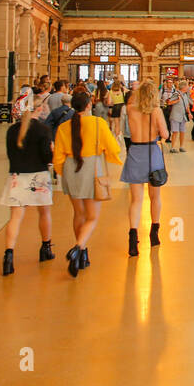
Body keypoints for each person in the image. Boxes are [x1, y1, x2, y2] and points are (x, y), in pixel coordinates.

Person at [53, 91, 124, 277]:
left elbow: (58, 157)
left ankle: (82, 254)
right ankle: (78, 248)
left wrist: (64, 173)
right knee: (92, 217)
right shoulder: (98, 123)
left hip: (71, 168)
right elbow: (114, 148)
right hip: (92, 168)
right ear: (88, 106)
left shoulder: (63, 127)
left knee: (78, 213)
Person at [1, 95, 54, 275]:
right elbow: (47, 157)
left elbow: (9, 154)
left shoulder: (12, 130)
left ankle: (8, 255)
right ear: (38, 109)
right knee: (44, 212)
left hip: (17, 176)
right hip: (38, 175)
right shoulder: (44, 130)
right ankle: (45, 248)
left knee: (15, 217)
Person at [121, 79, 169, 257]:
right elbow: (165, 134)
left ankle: (133, 239)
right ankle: (154, 233)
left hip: (135, 152)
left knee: (136, 200)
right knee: (155, 197)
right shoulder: (156, 111)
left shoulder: (130, 109)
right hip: (152, 153)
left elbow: (131, 100)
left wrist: (137, 92)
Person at [167, 81, 190, 153]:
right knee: (175, 131)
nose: (188, 87)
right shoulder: (176, 94)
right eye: (187, 86)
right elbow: (169, 102)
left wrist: (189, 113)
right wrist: (177, 100)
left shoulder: (185, 95)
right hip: (175, 116)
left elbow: (187, 105)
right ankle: (173, 147)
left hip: (183, 116)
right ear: (183, 87)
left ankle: (181, 146)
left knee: (182, 131)